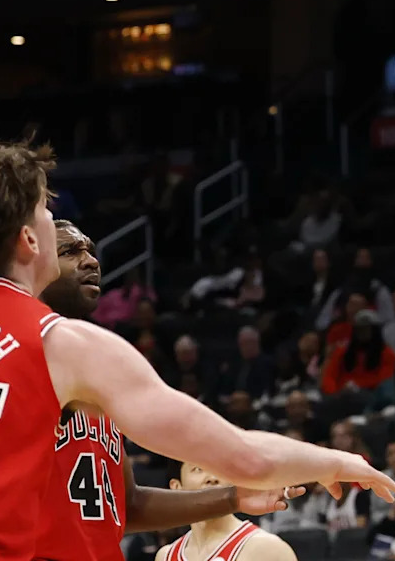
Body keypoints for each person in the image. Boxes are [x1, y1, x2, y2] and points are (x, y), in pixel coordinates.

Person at [0, 137, 395, 560]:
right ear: (29, 239)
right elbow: (246, 457)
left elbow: (124, 503)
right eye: (48, 212)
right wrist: (338, 460)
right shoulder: (61, 344)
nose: (58, 223)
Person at [35, 220, 307, 560]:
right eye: (70, 251)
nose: (91, 261)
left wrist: (233, 497)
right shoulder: (18, 361)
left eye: (90, 251)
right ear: (36, 263)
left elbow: (128, 505)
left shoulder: (97, 375)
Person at [155, 461, 297, 561]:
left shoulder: (267, 548)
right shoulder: (166, 556)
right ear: (177, 487)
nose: (212, 478)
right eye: (198, 469)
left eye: (219, 469)